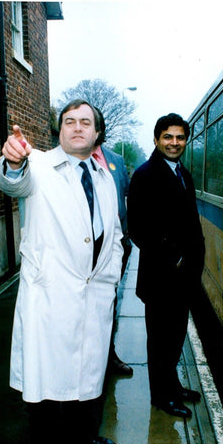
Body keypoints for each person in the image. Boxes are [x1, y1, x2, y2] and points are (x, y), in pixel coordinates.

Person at [0, 99, 124, 444]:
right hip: (51, 300)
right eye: (69, 122)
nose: (77, 128)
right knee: (49, 392)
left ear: (97, 133)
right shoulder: (38, 166)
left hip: (94, 296)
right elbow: (11, 181)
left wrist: (112, 275)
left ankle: (83, 443)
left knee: (87, 381)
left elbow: (114, 232)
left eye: (86, 122)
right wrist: (12, 161)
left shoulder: (105, 174)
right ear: (59, 130)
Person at [127, 113, 205, 419]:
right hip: (161, 277)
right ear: (157, 139)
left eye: (180, 137)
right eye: (168, 137)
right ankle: (162, 396)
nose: (174, 143)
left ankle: (172, 386)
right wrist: (175, 255)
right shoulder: (145, 175)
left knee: (175, 337)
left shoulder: (184, 174)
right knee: (160, 341)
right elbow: (138, 229)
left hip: (184, 277)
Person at [90, 106, 133, 378]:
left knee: (109, 301)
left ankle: (108, 355)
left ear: (100, 130)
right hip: (85, 247)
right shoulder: (68, 160)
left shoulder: (116, 160)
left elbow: (128, 198)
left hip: (116, 245)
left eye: (92, 124)